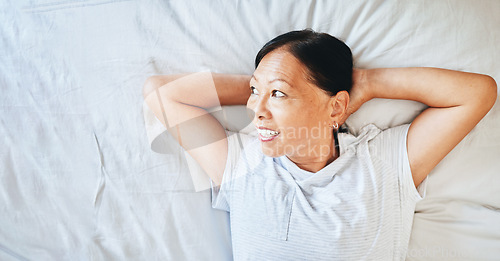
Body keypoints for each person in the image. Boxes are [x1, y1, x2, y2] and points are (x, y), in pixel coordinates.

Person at [143, 29, 497, 260]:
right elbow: (160, 94)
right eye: (254, 94)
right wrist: (266, 86)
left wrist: (368, 84)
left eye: (277, 95)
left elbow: (477, 93)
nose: (256, 110)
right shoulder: (240, 163)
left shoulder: (385, 163)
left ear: (338, 106)